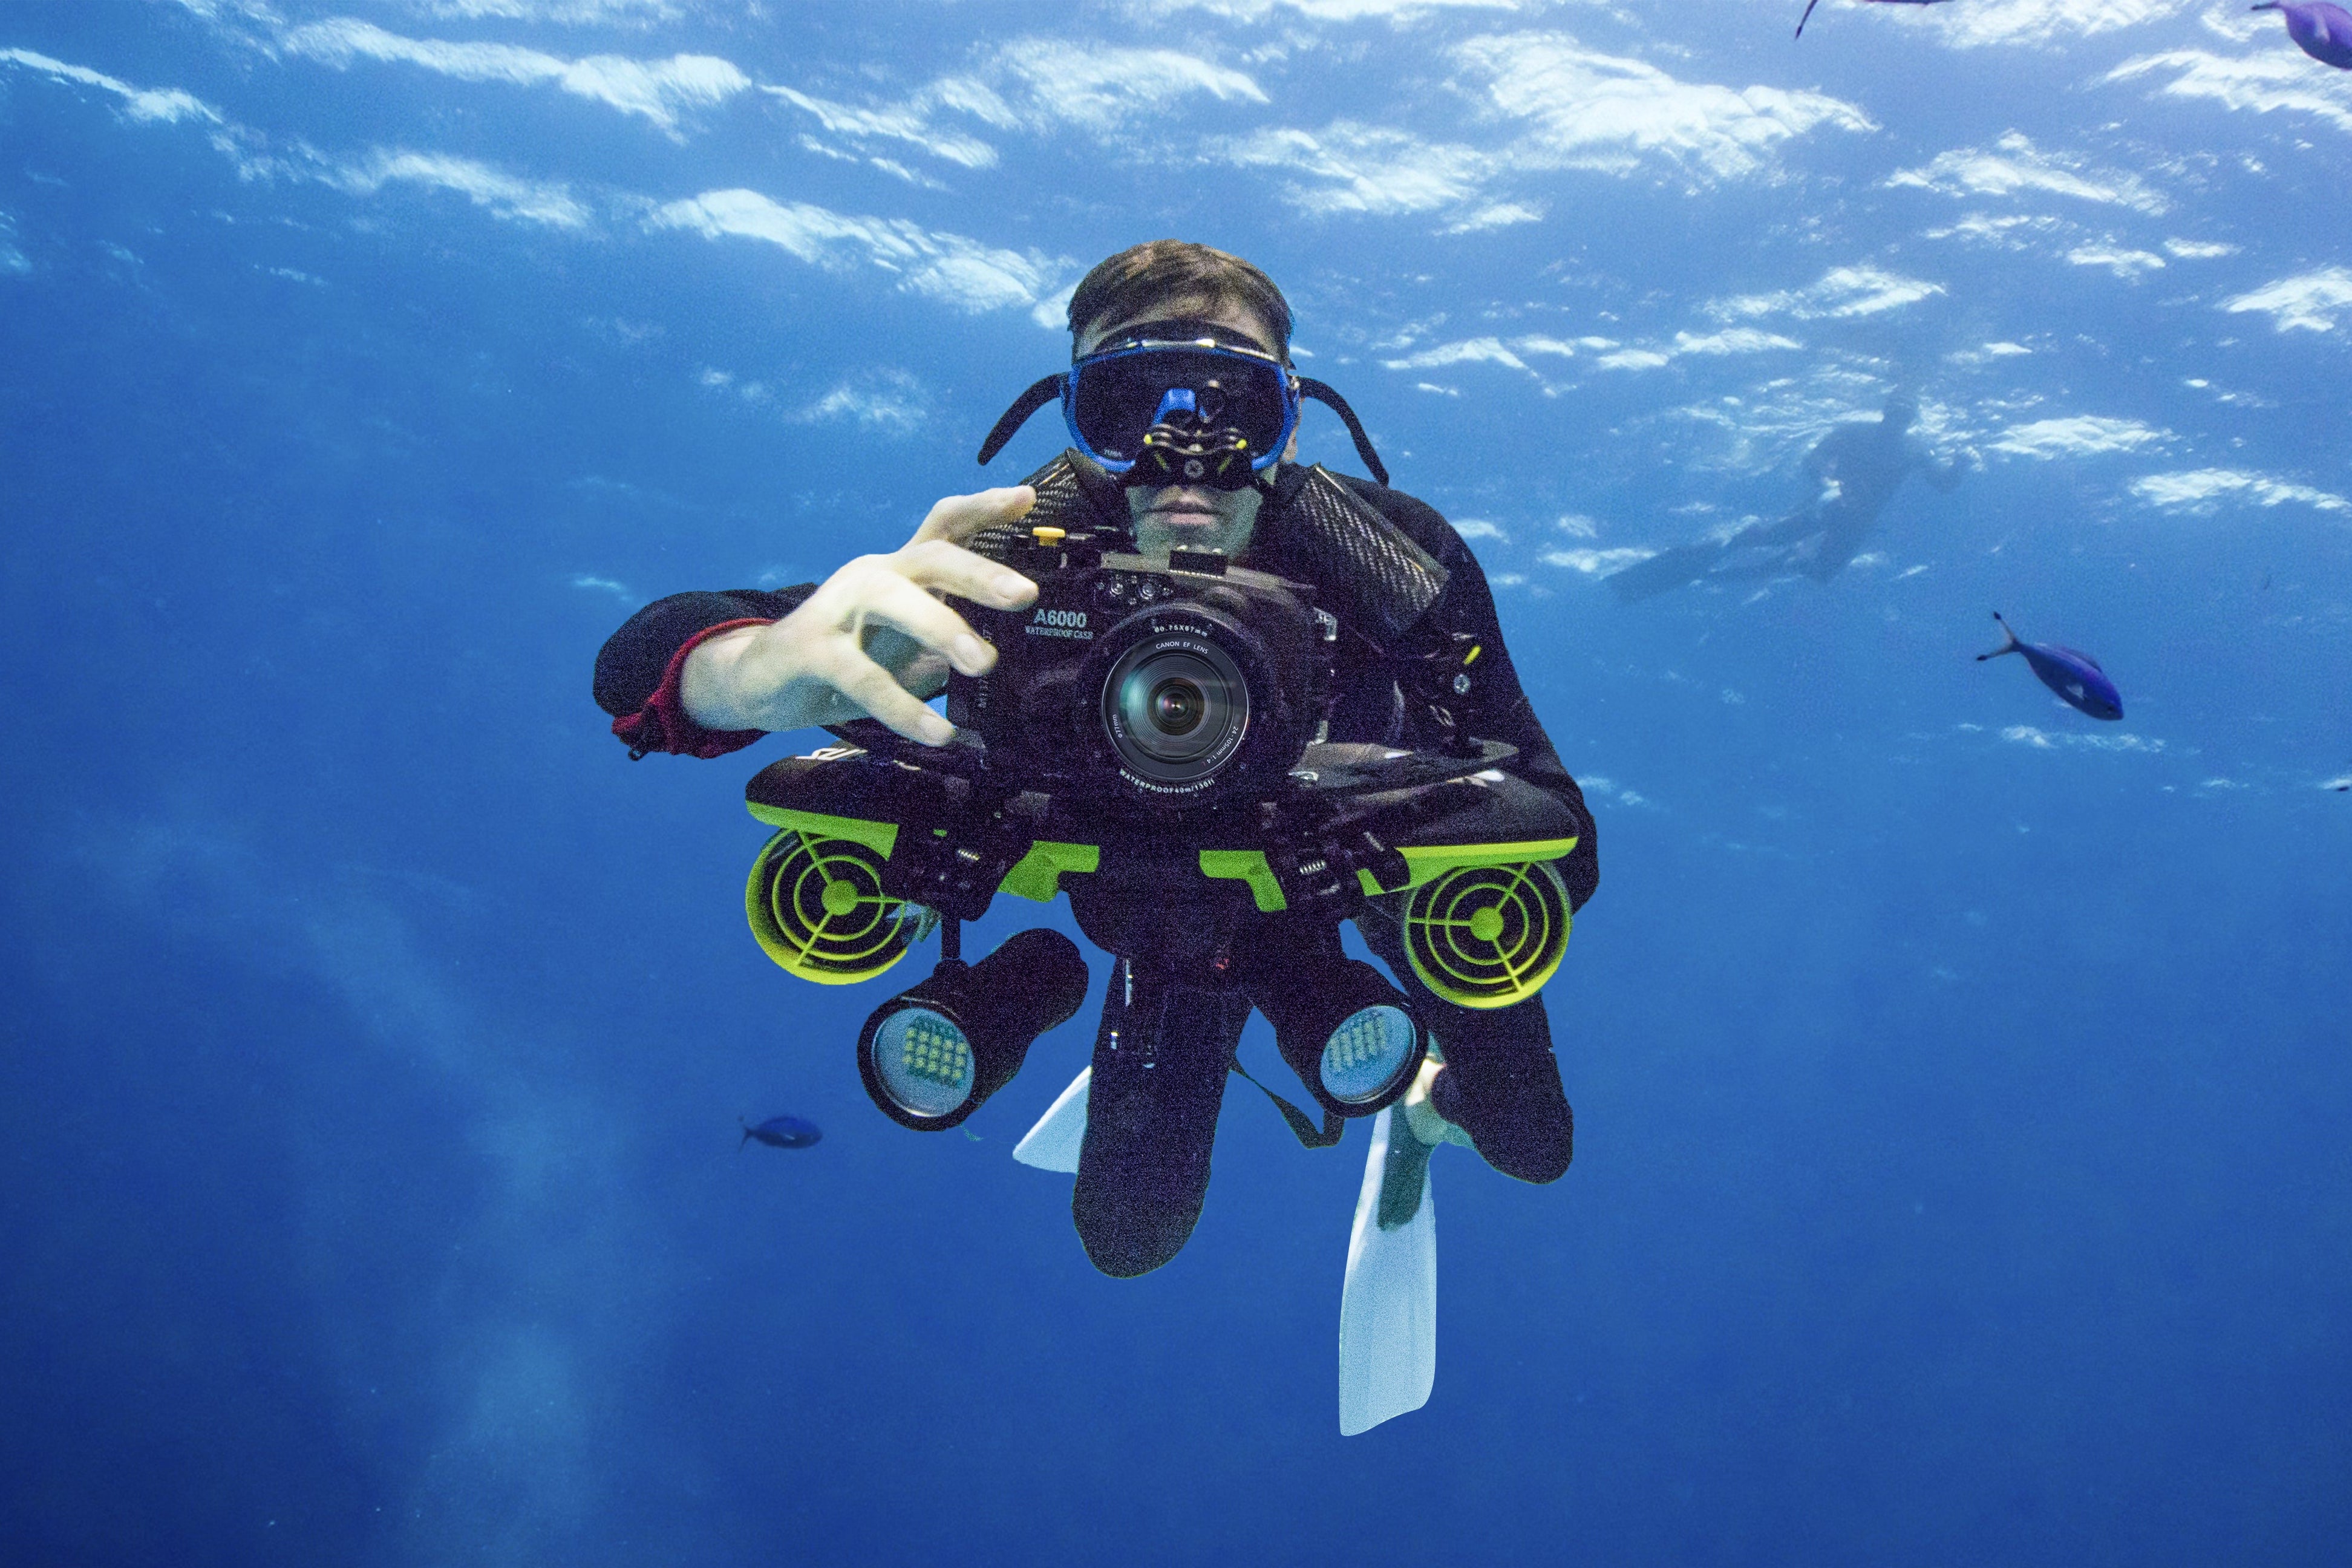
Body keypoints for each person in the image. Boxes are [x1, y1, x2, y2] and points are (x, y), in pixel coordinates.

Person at [595, 241, 1599, 1276]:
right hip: (1153, 913)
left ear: (1287, 414)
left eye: (1229, 401)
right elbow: (638, 661)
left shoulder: (1388, 555)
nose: (1182, 449)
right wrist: (761, 672)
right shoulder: (1013, 549)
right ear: (1073, 418)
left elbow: (1564, 837)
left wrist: (1379, 842)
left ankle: (1422, 1106)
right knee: (1126, 1237)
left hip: (1361, 884)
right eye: (1128, 402)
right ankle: (1314, 1031)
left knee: (1531, 1144)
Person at [1607, 389, 1965, 602]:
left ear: (1909, 418)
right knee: (1769, 543)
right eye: (1898, 411)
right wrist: (1828, 485)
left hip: (1851, 520)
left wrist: (1961, 465)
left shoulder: (1912, 449)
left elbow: (1945, 485)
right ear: (1889, 411)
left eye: (1905, 414)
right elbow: (1813, 462)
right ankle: (1720, 560)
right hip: (1830, 509)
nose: (1899, 418)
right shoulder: (1865, 435)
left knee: (1817, 571)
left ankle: (1713, 570)